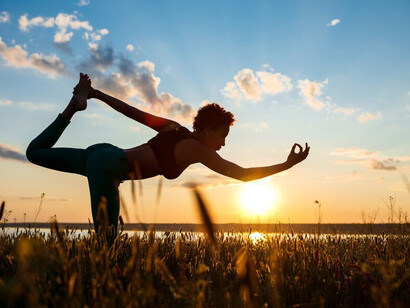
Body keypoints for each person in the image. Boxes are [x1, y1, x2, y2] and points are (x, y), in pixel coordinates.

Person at [26, 73, 310, 234]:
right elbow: (242, 175)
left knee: (34, 152)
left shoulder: (174, 128)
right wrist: (286, 165)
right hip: (108, 169)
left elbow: (133, 112)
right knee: (107, 244)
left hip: (102, 152)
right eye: (223, 136)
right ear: (209, 129)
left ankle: (72, 109)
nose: (223, 144)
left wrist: (95, 94)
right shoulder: (197, 151)